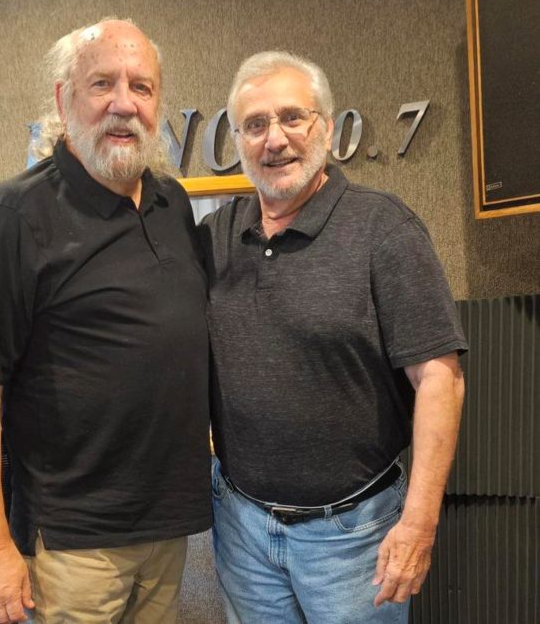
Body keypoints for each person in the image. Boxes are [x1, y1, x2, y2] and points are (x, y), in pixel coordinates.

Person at [0, 19, 212, 624]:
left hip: (168, 531)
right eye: (102, 84)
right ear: (64, 100)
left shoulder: (171, 203)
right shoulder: (16, 214)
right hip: (72, 544)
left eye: (141, 87)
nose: (124, 103)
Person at [199, 51, 467, 624]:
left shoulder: (383, 227)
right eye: (255, 124)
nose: (275, 139)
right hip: (241, 526)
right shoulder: (214, 236)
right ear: (238, 142)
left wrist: (419, 524)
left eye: (292, 117)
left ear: (326, 127)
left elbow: (439, 379)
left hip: (354, 534)